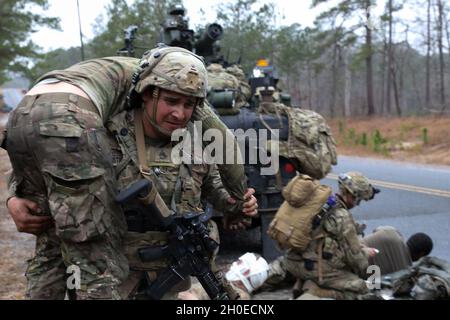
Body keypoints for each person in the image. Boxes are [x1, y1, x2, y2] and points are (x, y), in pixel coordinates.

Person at [4, 45, 256, 299]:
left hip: (168, 272)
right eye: (170, 101)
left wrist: (239, 205)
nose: (179, 113)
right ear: (146, 95)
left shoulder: (195, 141)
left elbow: (216, 189)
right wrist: (14, 196)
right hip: (110, 277)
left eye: (189, 104)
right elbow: (50, 166)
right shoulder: (102, 132)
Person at [282, 171, 380, 300]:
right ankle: (314, 291)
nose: (357, 203)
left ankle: (300, 284)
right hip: (311, 267)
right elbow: (356, 260)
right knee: (361, 288)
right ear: (352, 196)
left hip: (292, 260)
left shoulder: (323, 203)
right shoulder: (342, 216)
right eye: (358, 200)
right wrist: (366, 258)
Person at [362, 226, 433, 275]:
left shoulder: (393, 232)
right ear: (421, 254)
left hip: (354, 247)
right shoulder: (404, 271)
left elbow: (376, 229)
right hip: (356, 275)